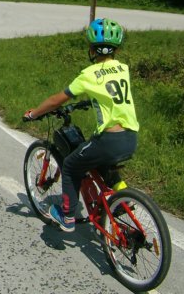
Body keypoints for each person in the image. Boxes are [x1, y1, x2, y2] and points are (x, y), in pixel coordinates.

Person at [22, 18, 139, 232]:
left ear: (92, 49)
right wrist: (91, 101)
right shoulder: (123, 68)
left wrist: (34, 113)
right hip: (130, 138)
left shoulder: (89, 74)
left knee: (70, 166)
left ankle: (67, 217)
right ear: (116, 49)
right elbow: (110, 95)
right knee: (102, 163)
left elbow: (56, 100)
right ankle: (124, 198)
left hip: (109, 140)